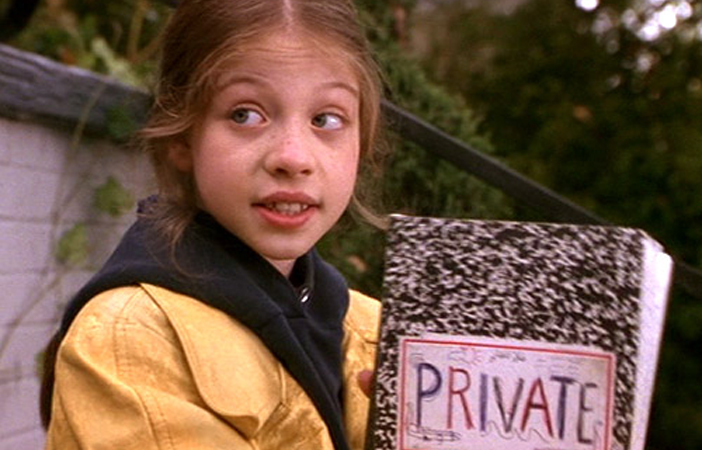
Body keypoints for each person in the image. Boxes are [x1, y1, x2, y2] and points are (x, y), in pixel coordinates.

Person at [39, 0, 386, 449]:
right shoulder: (131, 339)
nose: (293, 157)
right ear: (183, 136)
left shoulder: (372, 329)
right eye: (246, 115)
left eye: (327, 119)